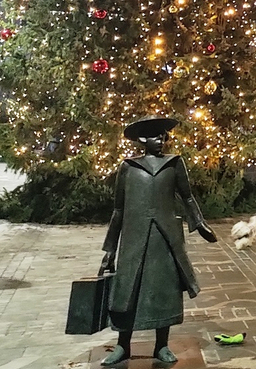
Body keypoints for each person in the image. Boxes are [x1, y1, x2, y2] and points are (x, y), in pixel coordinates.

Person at [97, 116, 218, 366]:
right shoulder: (128, 167)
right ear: (143, 140)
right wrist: (110, 248)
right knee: (128, 290)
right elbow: (118, 210)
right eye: (156, 137)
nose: (161, 141)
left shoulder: (174, 164)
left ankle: (161, 345)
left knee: (164, 290)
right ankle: (123, 345)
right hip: (133, 238)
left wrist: (199, 223)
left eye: (164, 136)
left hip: (164, 238)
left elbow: (187, 197)